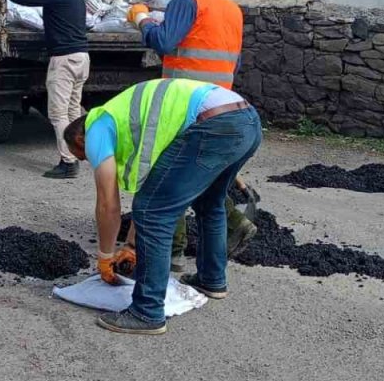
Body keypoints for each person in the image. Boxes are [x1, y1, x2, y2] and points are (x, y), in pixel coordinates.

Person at [65, 78, 262, 335]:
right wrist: (131, 246)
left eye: (83, 156)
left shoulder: (96, 128)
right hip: (246, 118)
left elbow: (108, 205)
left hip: (216, 124)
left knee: (153, 212)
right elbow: (152, 187)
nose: (89, 160)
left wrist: (104, 257)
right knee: (209, 202)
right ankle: (212, 280)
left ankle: (147, 312)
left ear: (81, 140)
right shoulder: (133, 120)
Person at [129, 0, 258, 272]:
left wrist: (141, 19)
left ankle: (171, 250)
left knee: (169, 175)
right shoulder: (231, 8)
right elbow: (235, 59)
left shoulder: (186, 0)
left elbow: (164, 42)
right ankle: (227, 237)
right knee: (205, 186)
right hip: (221, 103)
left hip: (184, 102)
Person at [2, 0, 90, 179]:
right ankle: (78, 153)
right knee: (72, 110)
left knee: (58, 114)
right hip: (82, 58)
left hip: (64, 60)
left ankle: (68, 162)